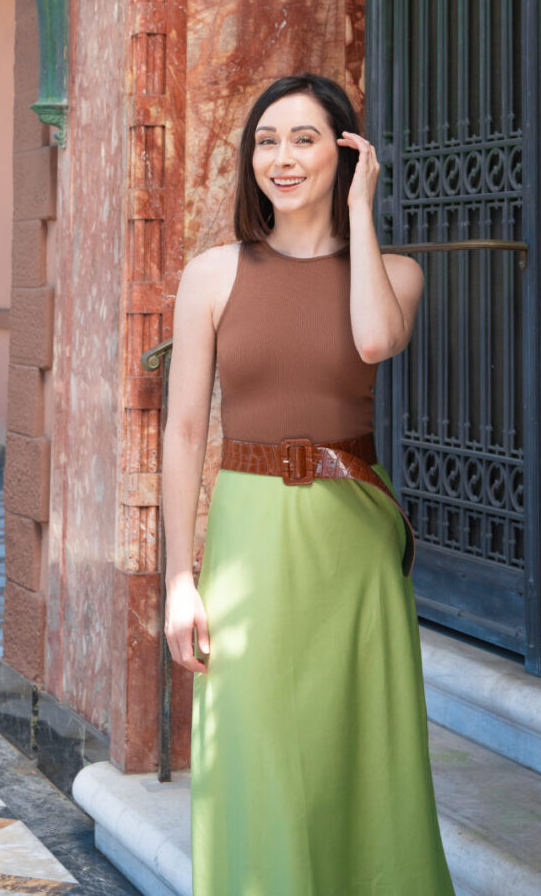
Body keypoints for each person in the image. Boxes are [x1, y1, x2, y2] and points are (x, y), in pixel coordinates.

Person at [161, 71, 457, 896]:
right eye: (266, 140)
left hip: (350, 545)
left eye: (304, 139)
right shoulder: (212, 275)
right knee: (251, 754)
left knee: (363, 759)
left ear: (346, 152)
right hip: (248, 535)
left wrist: (360, 213)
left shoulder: (394, 274)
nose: (281, 158)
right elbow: (185, 430)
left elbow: (371, 341)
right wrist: (180, 578)